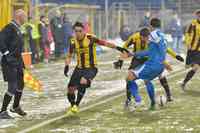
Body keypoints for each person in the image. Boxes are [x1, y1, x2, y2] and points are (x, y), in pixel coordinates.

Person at [64, 22, 129, 114]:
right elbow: (69, 55)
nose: (78, 33)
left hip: (91, 68)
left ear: (84, 31)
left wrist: (119, 48)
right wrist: (66, 66)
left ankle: (77, 105)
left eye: (80, 31)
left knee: (83, 81)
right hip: (79, 68)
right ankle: (73, 105)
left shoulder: (91, 38)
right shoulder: (73, 41)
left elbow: (105, 43)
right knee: (70, 90)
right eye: (76, 31)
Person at [114, 27, 184, 108]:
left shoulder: (151, 39)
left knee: (130, 78)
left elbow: (154, 51)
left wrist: (173, 57)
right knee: (144, 79)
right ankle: (134, 100)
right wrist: (121, 60)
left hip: (149, 61)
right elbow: (124, 48)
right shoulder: (138, 37)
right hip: (140, 60)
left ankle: (138, 100)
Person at [120, 18, 168, 110]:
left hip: (153, 64)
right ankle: (153, 103)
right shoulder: (162, 35)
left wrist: (162, 59)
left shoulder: (153, 35)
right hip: (160, 67)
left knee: (129, 77)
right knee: (147, 80)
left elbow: (156, 49)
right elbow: (150, 51)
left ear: (151, 26)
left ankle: (138, 100)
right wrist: (133, 54)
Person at [0, 9, 27, 119]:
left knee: (21, 84)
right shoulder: (9, 27)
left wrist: (22, 63)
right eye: (24, 16)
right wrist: (6, 54)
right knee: (13, 86)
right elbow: (0, 40)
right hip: (9, 62)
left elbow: (17, 48)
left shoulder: (18, 28)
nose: (26, 18)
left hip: (18, 61)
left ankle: (15, 106)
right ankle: (2, 112)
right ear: (19, 16)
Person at [181, 10, 200, 90]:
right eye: (199, 15)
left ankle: (184, 83)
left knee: (195, 67)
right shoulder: (192, 24)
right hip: (192, 49)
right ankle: (184, 82)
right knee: (191, 67)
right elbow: (187, 33)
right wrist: (188, 43)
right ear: (196, 15)